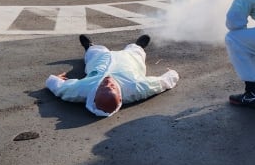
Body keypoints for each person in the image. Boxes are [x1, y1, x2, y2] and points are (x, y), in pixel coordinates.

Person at [45, 34, 179, 117]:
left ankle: (90, 47)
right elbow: (160, 84)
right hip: (128, 61)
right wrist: (172, 73)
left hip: (100, 61)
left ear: (95, 95)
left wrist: (56, 79)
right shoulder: (136, 87)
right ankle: (138, 46)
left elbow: (60, 89)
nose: (108, 81)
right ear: (120, 96)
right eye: (111, 87)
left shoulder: (82, 90)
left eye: (102, 87)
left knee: (95, 53)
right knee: (135, 53)